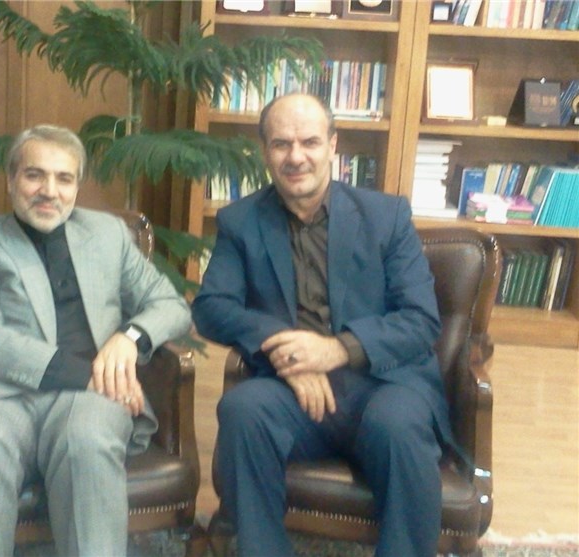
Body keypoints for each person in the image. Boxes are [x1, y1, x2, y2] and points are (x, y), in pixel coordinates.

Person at [192, 93, 451, 557]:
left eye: (309, 142)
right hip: (294, 392)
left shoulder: (386, 217)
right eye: (281, 144)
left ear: (333, 145)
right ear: (264, 151)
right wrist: (287, 351)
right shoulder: (240, 222)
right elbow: (211, 307)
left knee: (398, 424)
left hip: (382, 384)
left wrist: (335, 350)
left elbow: (420, 320)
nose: (296, 157)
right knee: (243, 410)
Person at [0, 124, 191, 557]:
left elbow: (169, 304)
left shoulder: (108, 235)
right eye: (34, 175)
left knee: (87, 442)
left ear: (77, 186)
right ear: (11, 180)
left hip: (88, 400)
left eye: (64, 178)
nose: (49, 191)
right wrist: (88, 373)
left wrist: (129, 338)